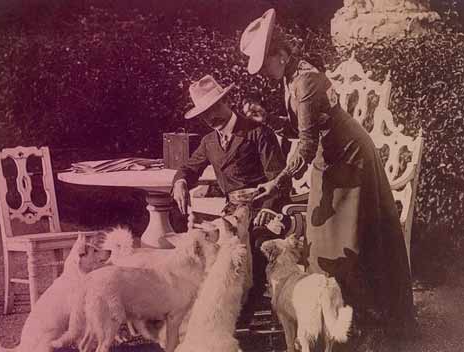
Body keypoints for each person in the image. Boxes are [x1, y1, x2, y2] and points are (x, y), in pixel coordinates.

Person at [239, 8, 415, 348]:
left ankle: (359, 325)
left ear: (279, 54)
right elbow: (303, 136)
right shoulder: (290, 79)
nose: (264, 74)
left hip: (350, 158)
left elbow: (305, 143)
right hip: (328, 159)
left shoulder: (304, 80)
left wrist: (277, 182)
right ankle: (331, 320)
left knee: (343, 242)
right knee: (319, 242)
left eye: (265, 66)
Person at [172, 74, 290, 327]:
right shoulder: (209, 141)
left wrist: (267, 210)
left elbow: (279, 178)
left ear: (226, 101)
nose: (209, 117)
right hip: (232, 212)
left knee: (254, 244)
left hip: (263, 207)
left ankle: (245, 314)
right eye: (203, 114)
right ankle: (216, 311)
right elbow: (189, 169)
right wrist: (180, 182)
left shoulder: (257, 132)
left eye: (213, 108)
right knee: (207, 247)